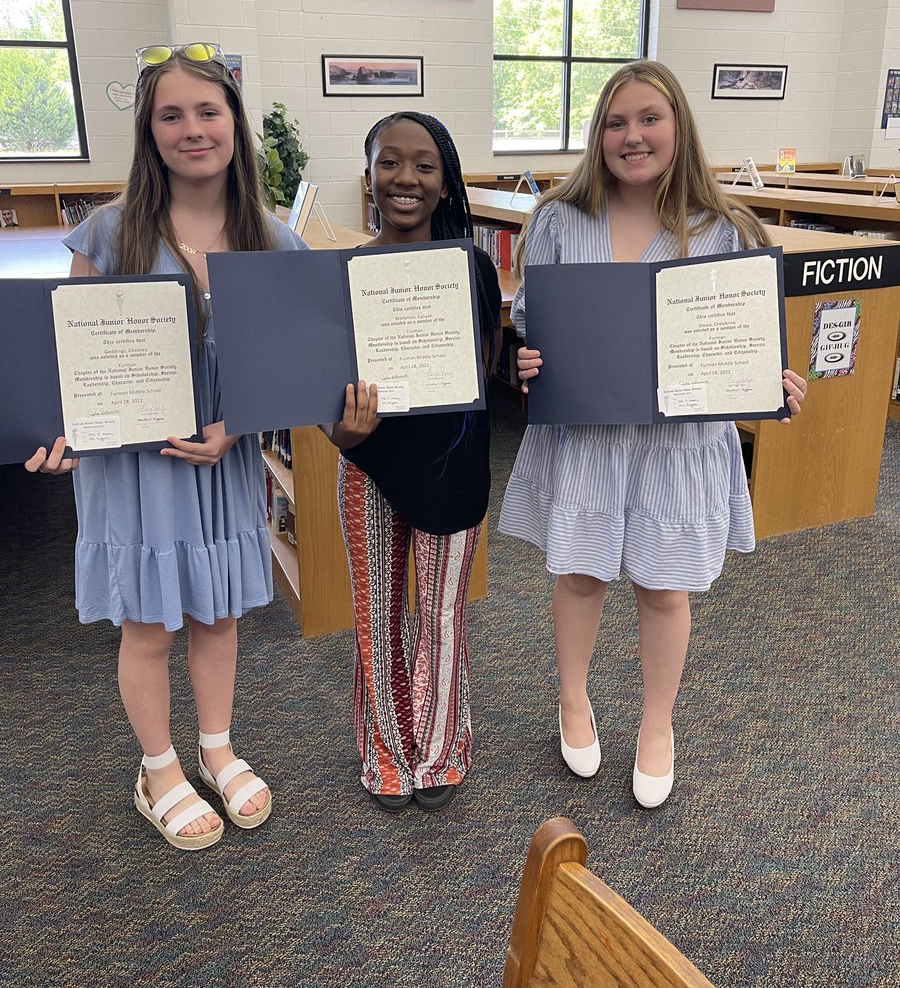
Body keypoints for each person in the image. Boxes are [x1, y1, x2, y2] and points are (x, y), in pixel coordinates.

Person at [498, 61, 807, 808]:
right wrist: (526, 360)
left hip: (679, 444)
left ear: (678, 128)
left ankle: (657, 723)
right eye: (615, 122)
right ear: (597, 134)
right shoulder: (556, 222)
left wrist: (773, 388)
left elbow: (745, 345)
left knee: (664, 588)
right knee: (580, 573)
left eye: (648, 119)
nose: (631, 136)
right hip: (591, 436)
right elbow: (535, 324)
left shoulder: (727, 229)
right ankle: (573, 698)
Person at [25, 43, 307, 849]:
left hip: (221, 463)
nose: (192, 129)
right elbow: (69, 367)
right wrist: (54, 434)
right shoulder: (109, 234)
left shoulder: (273, 241)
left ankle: (216, 748)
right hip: (136, 471)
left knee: (219, 613)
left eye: (207, 112)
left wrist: (240, 426)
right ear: (149, 132)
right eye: (171, 115)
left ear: (234, 123)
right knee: (149, 623)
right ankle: (158, 767)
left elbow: (285, 372)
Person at [323, 111, 501, 813]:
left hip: (450, 467)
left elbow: (483, 377)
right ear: (368, 177)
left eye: (424, 165)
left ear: (446, 179)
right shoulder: (344, 273)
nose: (406, 178)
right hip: (369, 463)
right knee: (376, 614)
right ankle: (388, 756)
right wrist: (342, 434)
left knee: (441, 616)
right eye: (389, 163)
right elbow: (322, 391)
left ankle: (441, 750)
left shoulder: (472, 267)